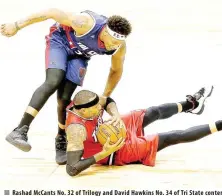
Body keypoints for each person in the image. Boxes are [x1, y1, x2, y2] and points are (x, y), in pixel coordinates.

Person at [1, 9, 131, 165]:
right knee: (53, 81)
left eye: (119, 43)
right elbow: (51, 12)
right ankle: (20, 130)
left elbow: (116, 70)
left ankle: (61, 138)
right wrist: (16, 25)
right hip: (60, 41)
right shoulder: (85, 23)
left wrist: (105, 95)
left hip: (80, 54)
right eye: (114, 42)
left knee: (64, 99)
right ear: (104, 32)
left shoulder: (119, 46)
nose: (115, 46)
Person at [64, 87, 222, 177]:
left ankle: (192, 105)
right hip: (115, 150)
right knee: (171, 136)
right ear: (83, 111)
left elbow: (108, 100)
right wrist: (104, 153)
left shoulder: (84, 101)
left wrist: (116, 115)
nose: (99, 109)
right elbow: (72, 169)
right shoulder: (76, 131)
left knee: (152, 112)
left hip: (112, 130)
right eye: (95, 109)